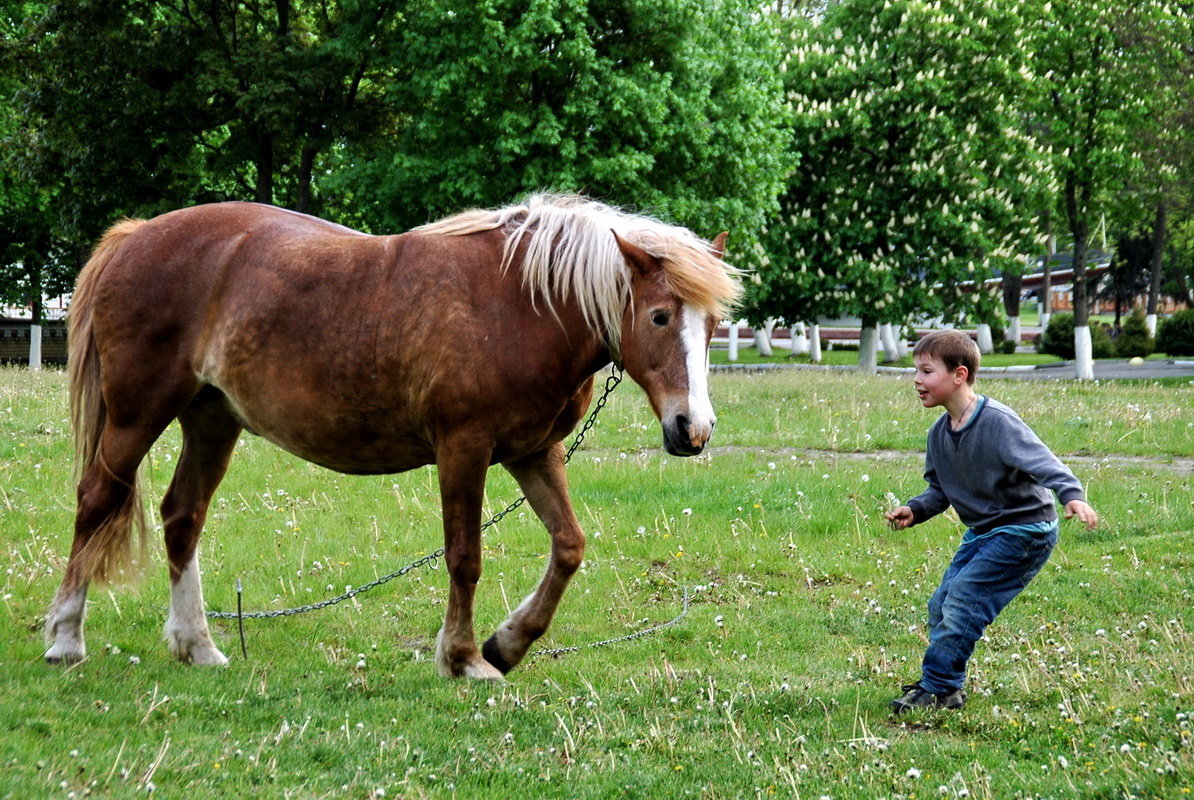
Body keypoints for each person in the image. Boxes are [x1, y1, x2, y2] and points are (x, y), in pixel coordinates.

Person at [884, 329, 1098, 713]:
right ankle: (946, 685)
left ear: (959, 375)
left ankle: (939, 688)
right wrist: (916, 510)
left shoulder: (998, 423)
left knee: (964, 598)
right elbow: (940, 489)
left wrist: (1072, 495)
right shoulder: (939, 434)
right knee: (941, 604)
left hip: (1025, 530)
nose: (916, 380)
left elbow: (1045, 463)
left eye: (926, 371)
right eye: (915, 371)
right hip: (985, 531)